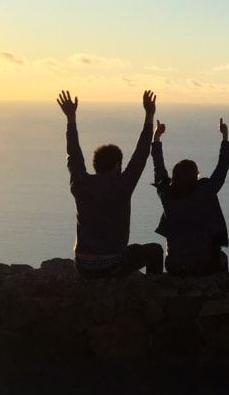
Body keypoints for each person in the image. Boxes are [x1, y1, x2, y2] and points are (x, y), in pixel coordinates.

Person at [57, 89, 163, 278]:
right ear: (116, 165)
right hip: (113, 264)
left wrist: (71, 118)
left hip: (83, 266)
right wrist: (149, 114)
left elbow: (73, 154)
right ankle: (151, 295)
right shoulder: (122, 185)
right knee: (154, 250)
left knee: (136, 249)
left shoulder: (80, 184)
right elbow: (141, 154)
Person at [152, 116, 229, 276]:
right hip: (203, 265)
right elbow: (221, 169)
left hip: (174, 265)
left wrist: (157, 138)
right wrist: (225, 138)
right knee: (222, 258)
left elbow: (159, 168)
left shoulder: (166, 194)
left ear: (174, 176)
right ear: (196, 175)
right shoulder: (205, 192)